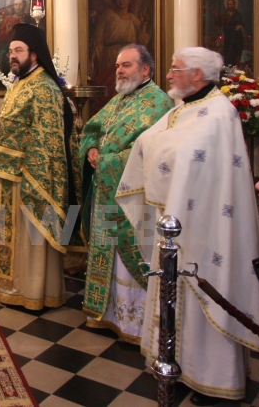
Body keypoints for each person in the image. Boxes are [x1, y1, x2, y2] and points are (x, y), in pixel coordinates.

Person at [116, 47, 259, 405]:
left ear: (198, 74)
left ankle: (214, 380)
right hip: (173, 224)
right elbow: (152, 141)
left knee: (203, 299)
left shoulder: (219, 114)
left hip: (206, 229)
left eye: (175, 68)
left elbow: (191, 161)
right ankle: (176, 366)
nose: (169, 74)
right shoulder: (184, 107)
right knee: (173, 295)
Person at [78, 44, 172, 342]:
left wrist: (106, 162)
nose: (119, 70)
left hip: (133, 198)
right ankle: (107, 315)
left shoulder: (159, 102)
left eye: (126, 65)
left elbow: (150, 151)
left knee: (129, 257)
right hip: (106, 191)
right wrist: (92, 148)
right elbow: (93, 128)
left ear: (145, 69)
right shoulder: (119, 98)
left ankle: (136, 326)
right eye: (118, 65)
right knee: (107, 252)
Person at [0, 23, 76, 310]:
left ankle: (33, 291)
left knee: (29, 237)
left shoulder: (45, 87)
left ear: (34, 54)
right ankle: (10, 285)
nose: (12, 56)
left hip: (28, 176)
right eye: (11, 51)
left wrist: (32, 175)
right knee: (11, 234)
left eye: (19, 50)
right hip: (9, 174)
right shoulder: (21, 82)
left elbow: (48, 141)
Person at [90, 0, 151, 112]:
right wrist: (96, 58)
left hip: (129, 57)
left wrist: (145, 23)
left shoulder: (134, 20)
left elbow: (142, 42)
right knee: (110, 89)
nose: (121, 0)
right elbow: (98, 39)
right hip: (109, 57)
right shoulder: (108, 15)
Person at [213, 0, 245, 67]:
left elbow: (242, 24)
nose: (231, 6)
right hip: (227, 37)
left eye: (232, 4)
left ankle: (235, 66)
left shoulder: (238, 14)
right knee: (227, 52)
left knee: (235, 53)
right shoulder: (224, 14)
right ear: (227, 5)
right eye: (229, 4)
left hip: (236, 37)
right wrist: (216, 14)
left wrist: (240, 26)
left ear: (234, 5)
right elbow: (219, 23)